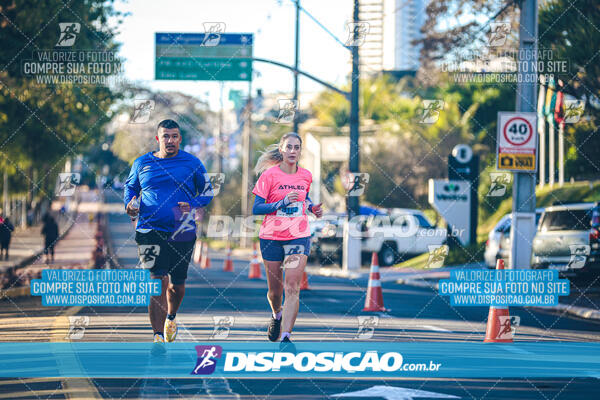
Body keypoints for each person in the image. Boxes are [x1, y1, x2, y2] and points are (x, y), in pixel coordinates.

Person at [124, 119, 213, 344]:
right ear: (158, 138)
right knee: (157, 280)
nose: (170, 140)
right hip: (148, 229)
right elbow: (131, 188)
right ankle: (157, 336)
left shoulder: (192, 163)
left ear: (180, 139)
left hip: (182, 230)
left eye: (174, 136)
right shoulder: (142, 163)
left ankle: (171, 317)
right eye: (166, 136)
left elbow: (208, 191)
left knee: (177, 286)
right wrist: (130, 203)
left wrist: (193, 204)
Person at [252, 132, 323, 348]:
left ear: (300, 151)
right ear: (281, 150)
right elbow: (257, 207)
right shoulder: (269, 176)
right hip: (271, 236)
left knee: (292, 286)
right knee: (275, 292)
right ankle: (276, 314)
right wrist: (280, 203)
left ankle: (286, 337)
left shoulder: (306, 176)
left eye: (296, 148)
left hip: (298, 236)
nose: (293, 151)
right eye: (289, 147)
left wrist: (311, 208)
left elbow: (304, 197)